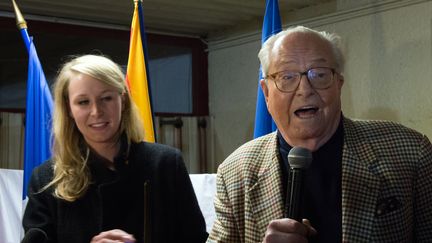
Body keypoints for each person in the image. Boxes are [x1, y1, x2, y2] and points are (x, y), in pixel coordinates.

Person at [207, 26, 432, 242]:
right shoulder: (235, 172)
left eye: (320, 74)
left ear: (339, 85)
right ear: (266, 93)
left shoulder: (411, 152)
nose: (305, 89)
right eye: (287, 77)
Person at [22, 54, 208, 243]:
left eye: (106, 98)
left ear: (123, 100)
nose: (96, 111)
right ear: (69, 109)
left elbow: (195, 239)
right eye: (83, 102)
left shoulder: (165, 164)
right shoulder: (46, 178)